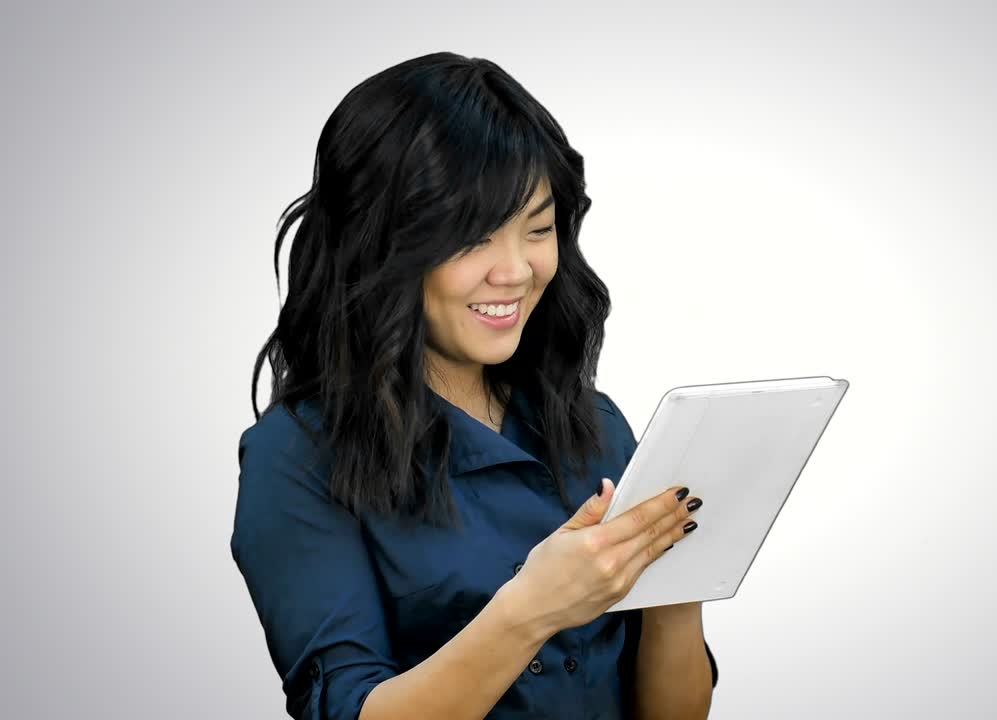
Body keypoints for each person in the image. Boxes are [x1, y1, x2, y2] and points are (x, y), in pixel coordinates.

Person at [230, 52, 718, 720]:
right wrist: (531, 609)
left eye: (539, 230)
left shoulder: (595, 425)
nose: (515, 271)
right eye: (473, 239)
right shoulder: (299, 455)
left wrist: (678, 586)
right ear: (381, 242)